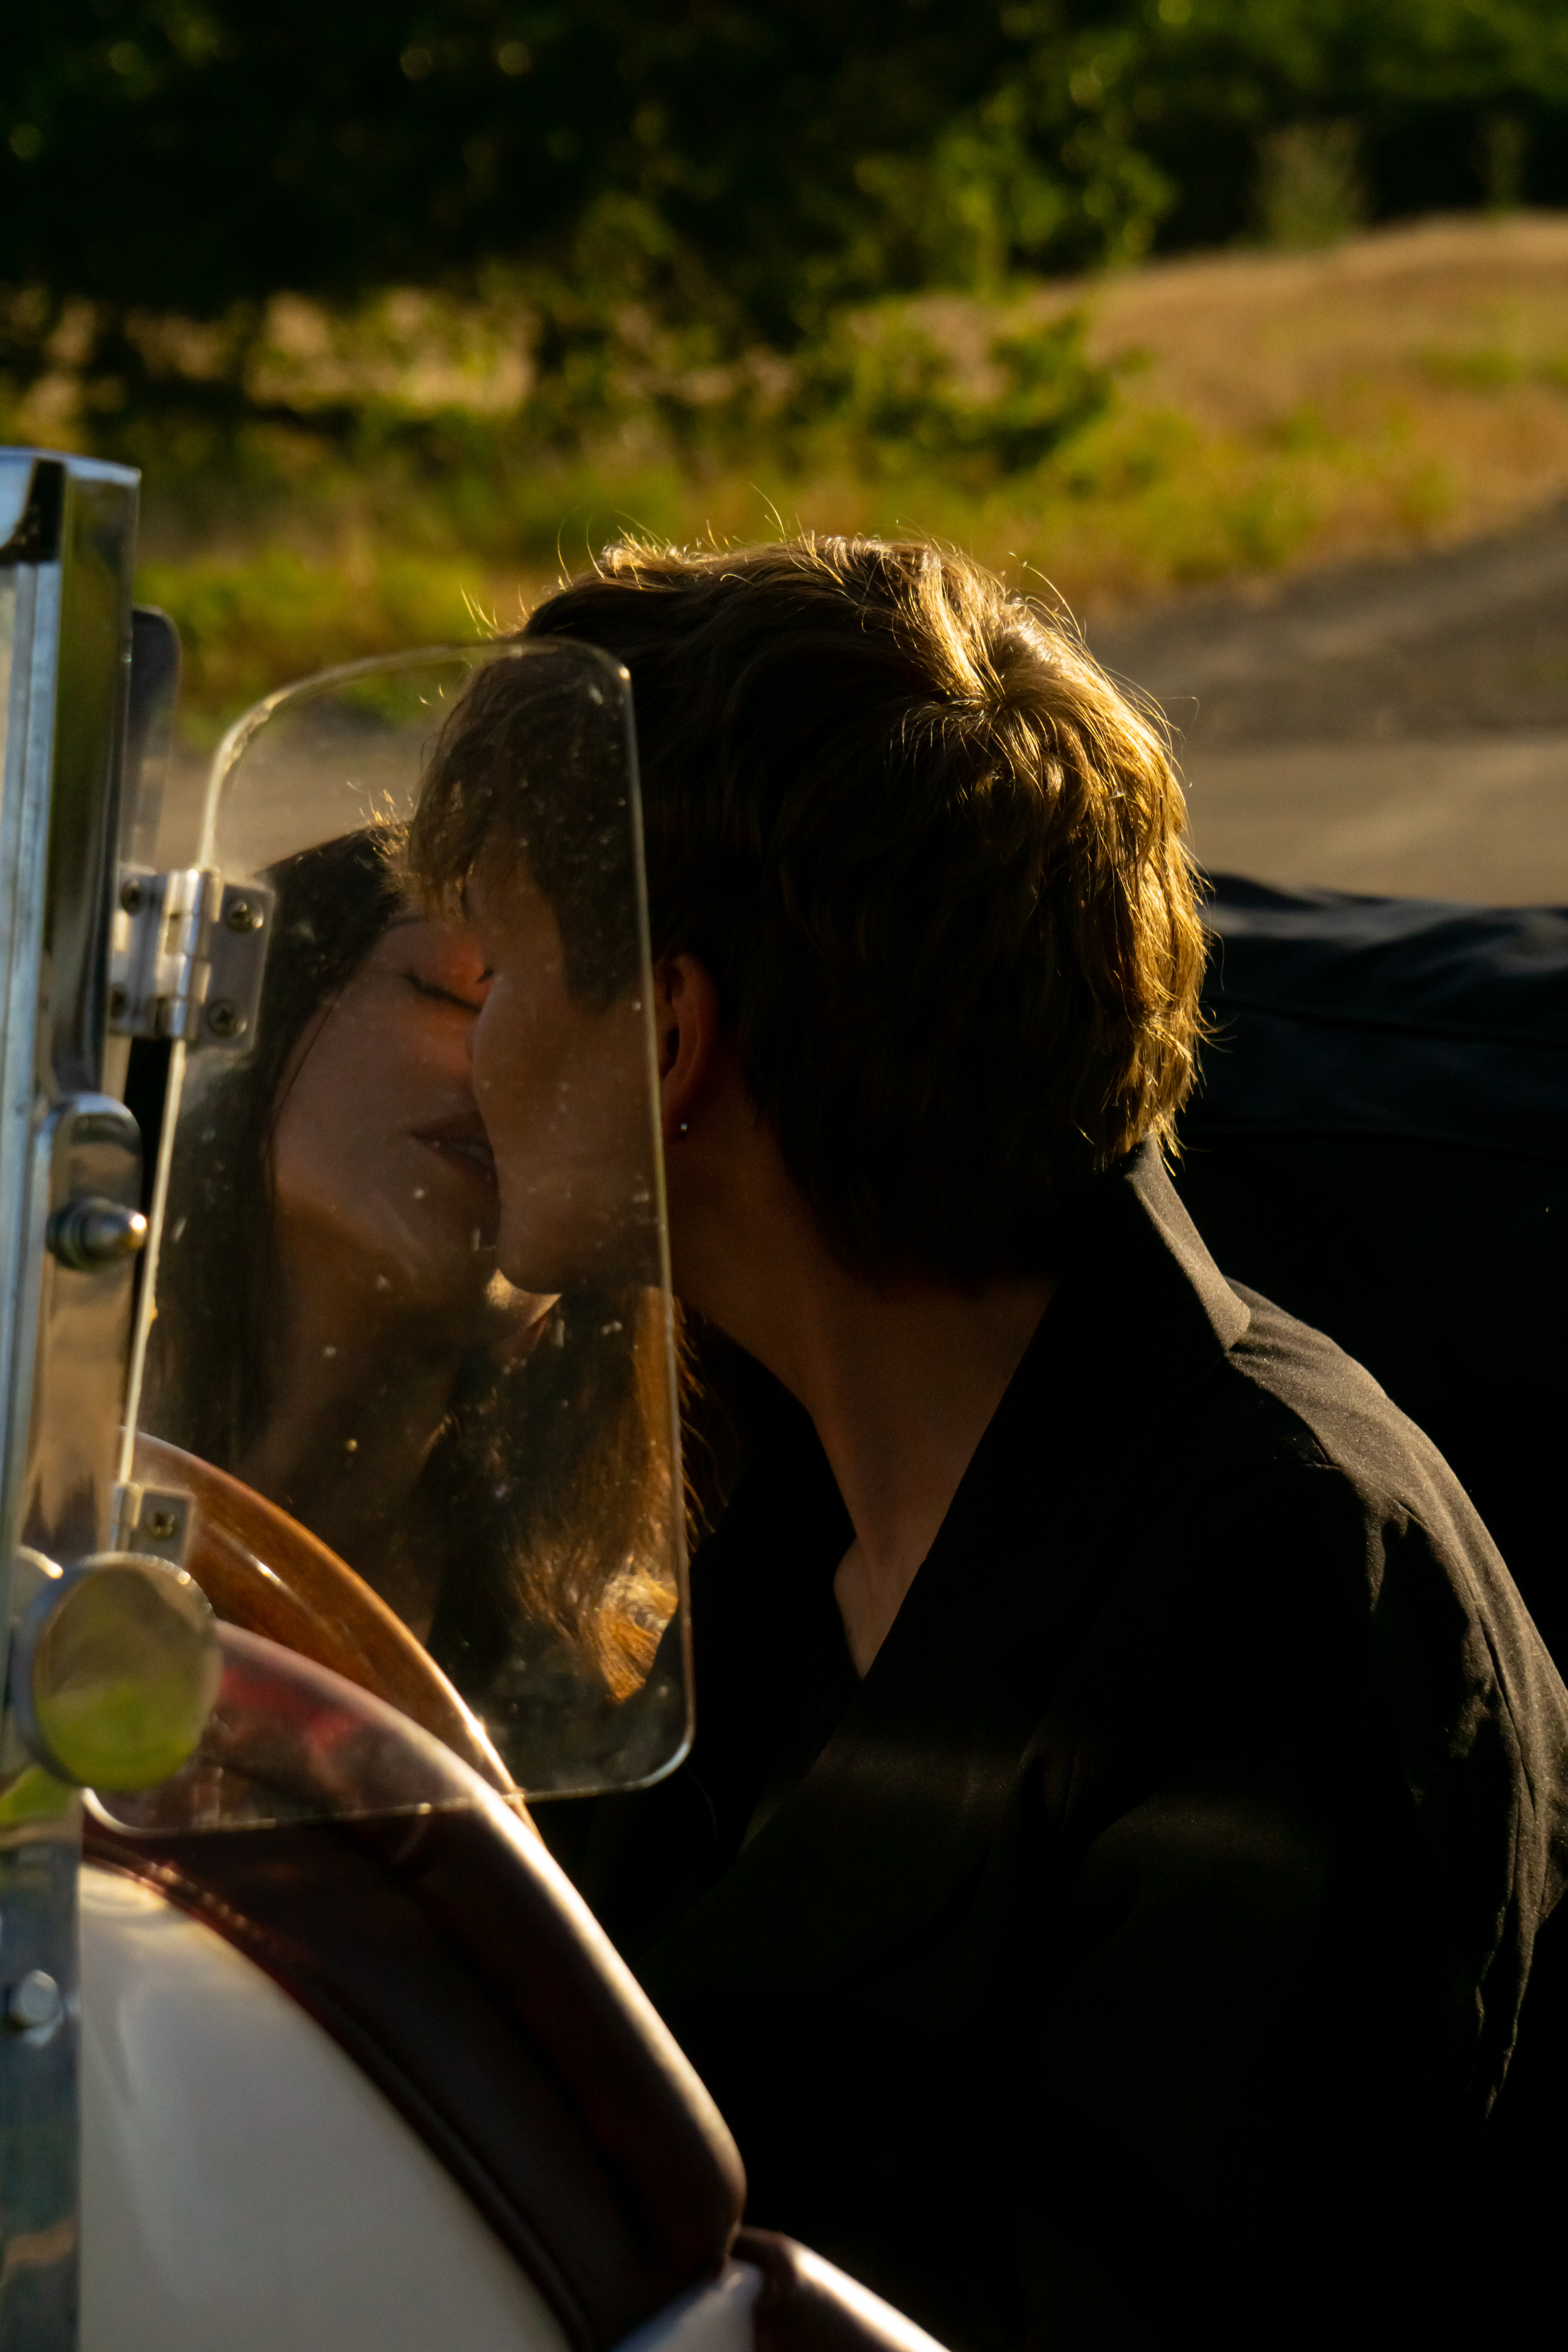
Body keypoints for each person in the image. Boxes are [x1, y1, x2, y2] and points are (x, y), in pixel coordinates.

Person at [408, 537, 1568, 2350]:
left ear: (673, 1036)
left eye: (499, 969)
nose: (467, 1049)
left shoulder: (1279, 1589)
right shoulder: (762, 1477)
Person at [143, 827, 678, 1783]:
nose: (509, 1072)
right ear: (249, 1022)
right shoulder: (39, 1505)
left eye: (568, 1056)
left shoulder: (608, 1710)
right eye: (448, 994)